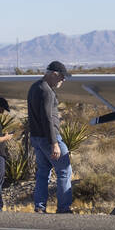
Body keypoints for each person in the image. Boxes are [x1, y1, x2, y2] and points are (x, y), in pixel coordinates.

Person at [27, 60, 73, 213]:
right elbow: (47, 118)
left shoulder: (34, 87)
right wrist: (54, 143)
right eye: (61, 77)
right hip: (49, 139)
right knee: (64, 171)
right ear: (53, 74)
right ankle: (64, 208)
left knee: (42, 173)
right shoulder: (47, 91)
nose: (63, 80)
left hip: (37, 138)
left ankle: (39, 207)